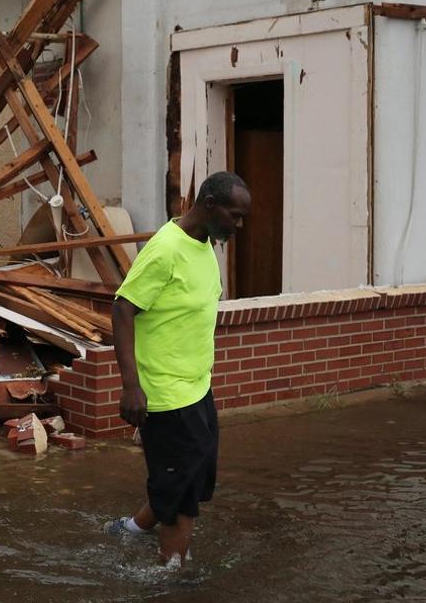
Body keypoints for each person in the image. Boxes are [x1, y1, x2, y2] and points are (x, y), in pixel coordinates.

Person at [107, 171, 251, 567]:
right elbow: (122, 308)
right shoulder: (165, 249)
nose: (238, 226)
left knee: (195, 475)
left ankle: (132, 529)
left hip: (197, 389)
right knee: (180, 492)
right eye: (234, 216)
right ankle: (171, 573)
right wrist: (130, 386)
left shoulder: (204, 243)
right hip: (166, 396)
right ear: (208, 204)